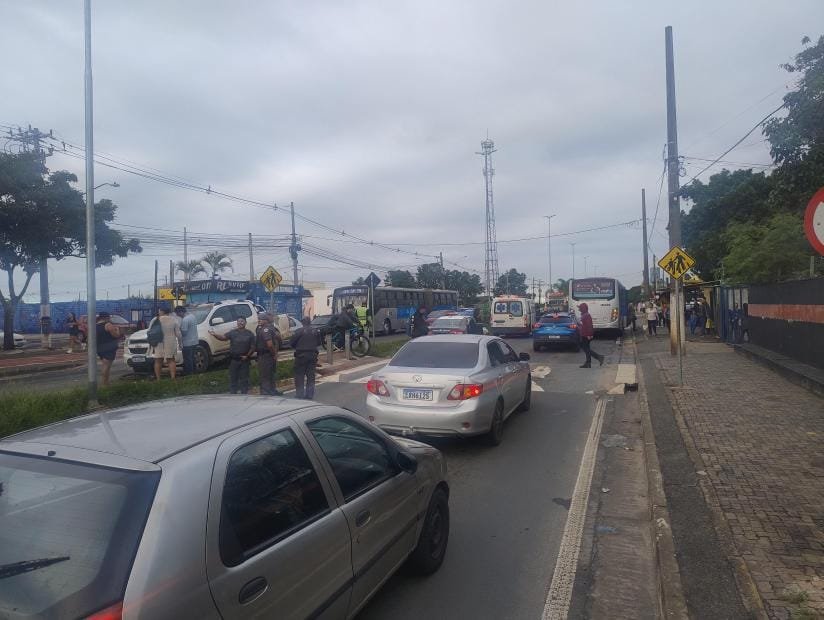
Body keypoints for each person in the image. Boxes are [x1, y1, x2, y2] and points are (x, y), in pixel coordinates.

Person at [210, 316, 255, 394]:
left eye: (242, 321)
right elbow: (223, 337)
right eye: (239, 321)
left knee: (244, 379)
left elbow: (253, 347)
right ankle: (233, 395)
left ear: (245, 322)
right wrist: (214, 334)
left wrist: (247, 356)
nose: (240, 323)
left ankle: (244, 394)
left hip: (244, 360)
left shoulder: (249, 334)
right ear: (237, 323)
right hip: (234, 360)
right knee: (233, 379)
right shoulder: (232, 332)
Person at [291, 316, 321, 399]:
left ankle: (300, 394)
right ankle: (309, 395)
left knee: (299, 376)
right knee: (311, 376)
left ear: (302, 323)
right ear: (310, 322)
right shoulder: (316, 331)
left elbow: (292, 343)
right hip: (312, 356)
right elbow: (319, 343)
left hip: (301, 356)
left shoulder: (298, 331)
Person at [151, 306, 182, 381]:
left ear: (161, 311)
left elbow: (150, 331)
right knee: (171, 360)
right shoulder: (174, 320)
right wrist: (180, 343)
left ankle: (158, 379)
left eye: (159, 310)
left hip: (158, 342)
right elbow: (178, 334)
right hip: (170, 342)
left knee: (158, 360)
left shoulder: (155, 319)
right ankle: (173, 377)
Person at [255, 312, 282, 396]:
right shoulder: (265, 329)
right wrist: (274, 354)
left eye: (261, 319)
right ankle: (266, 393)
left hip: (268, 355)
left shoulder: (267, 328)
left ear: (266, 320)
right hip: (265, 355)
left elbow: (276, 340)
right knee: (265, 375)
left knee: (270, 374)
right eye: (258, 319)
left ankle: (272, 391)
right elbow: (270, 344)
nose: (259, 321)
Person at [95, 312, 121, 387]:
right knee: (106, 366)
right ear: (106, 317)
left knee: (104, 365)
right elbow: (116, 335)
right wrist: (117, 330)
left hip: (100, 348)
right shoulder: (108, 325)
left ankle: (105, 382)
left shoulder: (96, 326)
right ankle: (104, 383)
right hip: (109, 348)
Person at [577, 303, 604, 368]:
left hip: (586, 335)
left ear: (583, 309)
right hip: (584, 334)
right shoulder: (584, 315)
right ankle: (588, 363)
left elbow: (589, 326)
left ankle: (599, 357)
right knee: (586, 348)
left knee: (586, 349)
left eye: (580, 308)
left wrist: (590, 334)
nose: (579, 309)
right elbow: (584, 325)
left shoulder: (586, 316)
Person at [175, 306, 198, 376]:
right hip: (195, 341)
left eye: (178, 314)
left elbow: (184, 333)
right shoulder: (192, 316)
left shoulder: (185, 320)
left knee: (188, 359)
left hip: (187, 343)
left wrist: (178, 329)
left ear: (181, 312)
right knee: (193, 357)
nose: (178, 316)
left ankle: (189, 373)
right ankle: (195, 371)